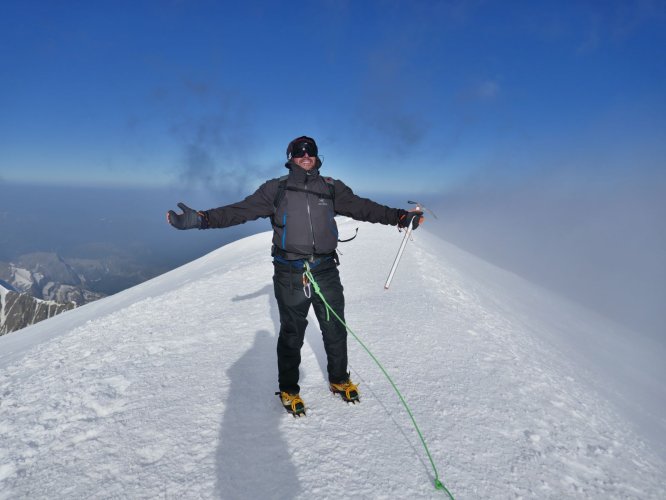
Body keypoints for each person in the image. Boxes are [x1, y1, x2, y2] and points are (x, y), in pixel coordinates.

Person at [167, 136, 423, 416]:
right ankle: (289, 389)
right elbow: (240, 211)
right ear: (290, 157)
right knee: (292, 333)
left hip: (325, 269)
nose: (305, 155)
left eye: (310, 151)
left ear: (316, 156)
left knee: (334, 328)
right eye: (299, 152)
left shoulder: (331, 188)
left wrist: (399, 216)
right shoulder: (276, 189)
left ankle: (339, 380)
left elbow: (364, 207)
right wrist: (202, 219)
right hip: (290, 271)